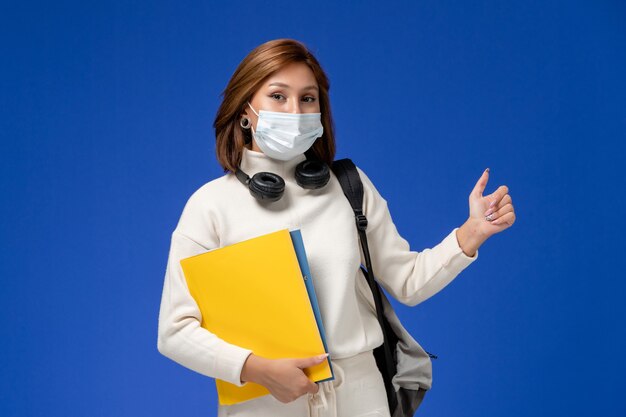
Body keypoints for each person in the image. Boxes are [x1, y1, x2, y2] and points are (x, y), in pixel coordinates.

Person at [157, 38, 516, 417]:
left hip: (361, 394)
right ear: (245, 110)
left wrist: (471, 233)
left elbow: (408, 281)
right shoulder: (210, 206)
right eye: (278, 96)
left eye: (307, 98)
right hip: (265, 401)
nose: (295, 111)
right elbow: (175, 331)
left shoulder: (349, 186)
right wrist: (255, 368)